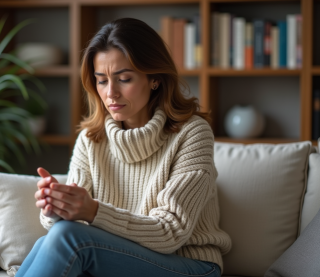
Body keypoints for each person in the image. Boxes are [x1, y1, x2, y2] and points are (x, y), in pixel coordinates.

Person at [16, 18, 232, 277]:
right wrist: (56, 208)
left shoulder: (192, 133)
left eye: (124, 79)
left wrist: (93, 210)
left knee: (71, 239)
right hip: (119, 259)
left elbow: (171, 232)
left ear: (154, 79)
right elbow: (67, 226)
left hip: (190, 265)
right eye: (102, 81)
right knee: (51, 239)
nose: (111, 93)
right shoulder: (91, 138)